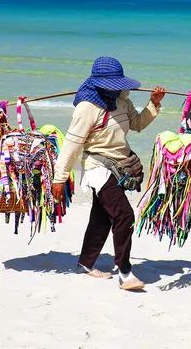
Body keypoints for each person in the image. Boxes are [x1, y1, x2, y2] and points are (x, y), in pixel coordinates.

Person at [51, 56, 166, 291]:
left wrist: (153, 104)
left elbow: (137, 124)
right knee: (124, 215)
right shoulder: (87, 108)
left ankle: (85, 262)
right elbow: (72, 145)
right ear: (99, 83)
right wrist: (59, 178)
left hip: (119, 167)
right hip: (98, 168)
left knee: (101, 217)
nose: (119, 88)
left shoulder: (122, 102)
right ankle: (125, 272)